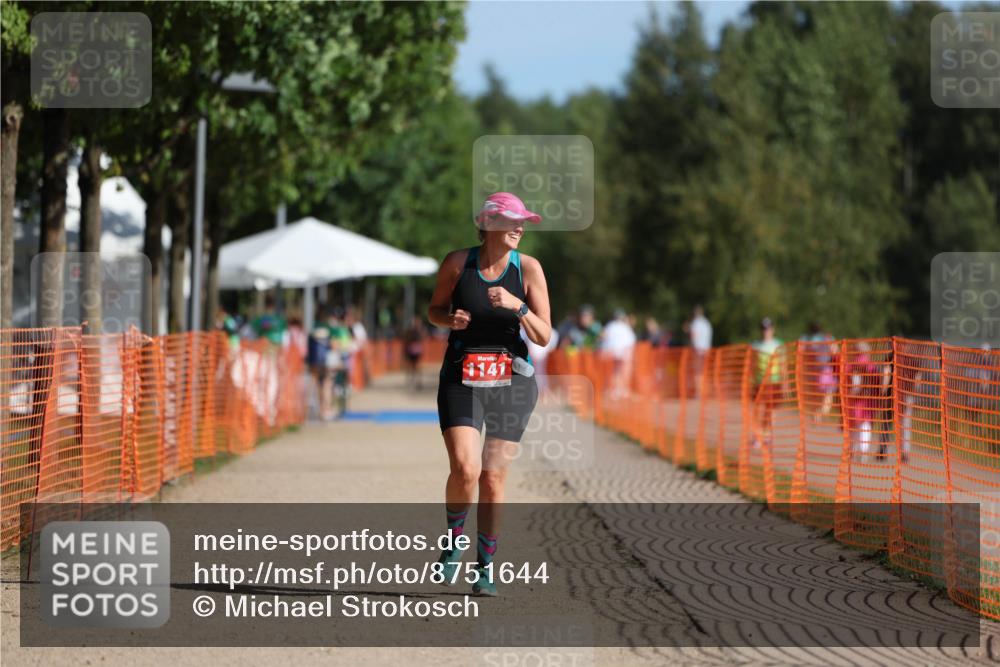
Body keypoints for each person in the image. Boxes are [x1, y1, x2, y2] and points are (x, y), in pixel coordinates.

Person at [427, 192, 551, 597]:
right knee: (466, 469)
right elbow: (434, 310)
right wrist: (450, 319)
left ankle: (485, 567)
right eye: (513, 221)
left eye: (523, 222)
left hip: (511, 380)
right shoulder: (457, 263)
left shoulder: (528, 269)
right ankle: (453, 542)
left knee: (493, 477)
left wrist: (518, 306)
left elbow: (544, 335)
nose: (520, 228)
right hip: (462, 375)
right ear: (489, 224)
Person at [751, 317, 784, 448]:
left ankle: (768, 434)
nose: (766, 331)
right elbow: (752, 364)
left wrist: (785, 382)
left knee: (770, 410)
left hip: (774, 381)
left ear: (772, 329)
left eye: (768, 329)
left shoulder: (778, 345)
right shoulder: (755, 345)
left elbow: (783, 364)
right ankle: (757, 436)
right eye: (764, 329)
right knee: (758, 410)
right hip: (759, 382)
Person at [600, 308, 637, 398]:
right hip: (623, 354)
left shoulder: (610, 326)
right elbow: (631, 341)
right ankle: (620, 390)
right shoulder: (625, 327)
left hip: (612, 353)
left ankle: (615, 390)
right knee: (621, 372)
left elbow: (603, 337)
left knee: (615, 372)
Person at [688, 306, 712, 396]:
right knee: (705, 371)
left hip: (698, 350)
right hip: (707, 349)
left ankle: (699, 391)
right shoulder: (707, 323)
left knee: (698, 371)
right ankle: (706, 391)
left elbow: (694, 336)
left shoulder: (696, 323)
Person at [403, 315, 426, 390]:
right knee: (410, 366)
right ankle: (410, 381)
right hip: (411, 350)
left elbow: (422, 340)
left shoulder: (420, 331)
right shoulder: (410, 331)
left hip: (416, 350)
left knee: (417, 366)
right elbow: (406, 340)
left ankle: (418, 382)